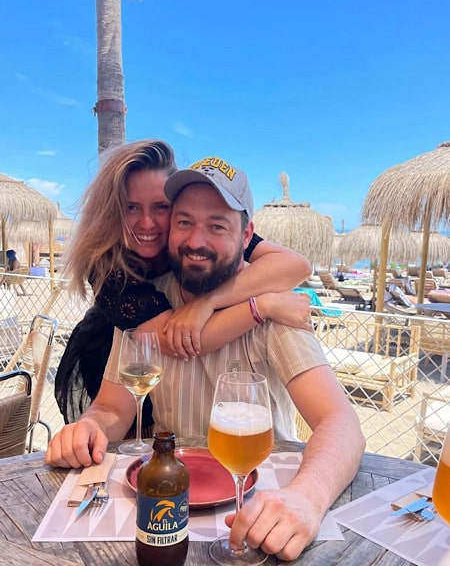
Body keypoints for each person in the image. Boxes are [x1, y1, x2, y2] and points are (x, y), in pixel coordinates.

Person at [46, 156, 365, 562]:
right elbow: (113, 407)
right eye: (184, 222)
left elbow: (341, 422)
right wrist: (89, 426)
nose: (197, 240)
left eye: (216, 225)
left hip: (259, 511)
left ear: (246, 234)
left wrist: (307, 497)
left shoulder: (274, 308)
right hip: (162, 507)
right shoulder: (144, 300)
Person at [54, 140, 312, 432]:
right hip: (123, 343)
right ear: (114, 212)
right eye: (132, 207)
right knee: (136, 432)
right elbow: (181, 339)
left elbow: (296, 265)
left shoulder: (196, 231)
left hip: (178, 352)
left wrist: (207, 302)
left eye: (161, 207)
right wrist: (264, 305)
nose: (147, 222)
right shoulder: (108, 270)